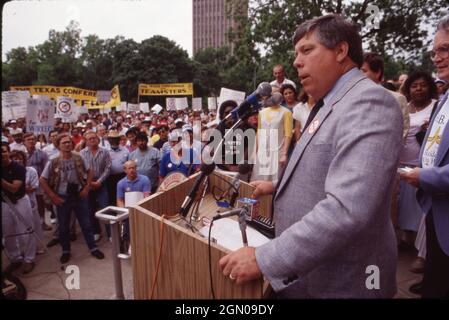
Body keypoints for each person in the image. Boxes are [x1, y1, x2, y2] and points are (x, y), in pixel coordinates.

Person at [219, 14, 403, 298]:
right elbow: (325, 170)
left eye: (307, 50)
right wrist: (278, 186)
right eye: (295, 54)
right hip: (313, 274)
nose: (296, 62)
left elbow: (347, 208)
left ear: (341, 51)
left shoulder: (369, 102)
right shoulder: (329, 103)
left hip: (348, 280)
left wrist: (264, 259)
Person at [400, 14, 449, 298]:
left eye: (444, 49)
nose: (437, 57)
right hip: (435, 211)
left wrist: (426, 175)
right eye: (434, 51)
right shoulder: (444, 100)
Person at [40, 133, 105, 263]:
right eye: (64, 142)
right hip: (62, 198)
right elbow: (42, 179)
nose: (67, 144)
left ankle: (93, 248)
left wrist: (86, 188)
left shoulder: (78, 157)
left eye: (69, 142)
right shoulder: (53, 161)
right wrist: (53, 196)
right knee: (63, 226)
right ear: (58, 145)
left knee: (86, 224)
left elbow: (89, 171)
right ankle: (66, 250)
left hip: (79, 195)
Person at [2, 143, 36, 274]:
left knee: (26, 231)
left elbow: (14, 188)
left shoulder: (18, 168)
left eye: (3, 151)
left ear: (8, 152)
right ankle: (15, 258)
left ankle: (29, 259)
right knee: (8, 232)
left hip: (19, 201)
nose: (1, 155)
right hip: (4, 203)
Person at [361, 52, 410, 141]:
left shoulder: (397, 99)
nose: (358, 76)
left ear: (377, 73)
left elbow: (403, 132)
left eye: (363, 71)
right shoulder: (351, 99)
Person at [250, 92, 293, 184]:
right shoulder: (261, 112)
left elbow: (288, 134)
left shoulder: (286, 112)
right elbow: (259, 132)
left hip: (277, 152)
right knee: (257, 181)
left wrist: (284, 154)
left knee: (274, 183)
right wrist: (255, 152)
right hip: (262, 152)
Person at [80, 130, 112, 241]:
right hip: (88, 184)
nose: (92, 140)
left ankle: (111, 233)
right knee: (90, 208)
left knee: (105, 207)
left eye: (94, 138)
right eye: (90, 138)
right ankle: (96, 231)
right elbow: (81, 170)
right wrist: (89, 182)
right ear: (86, 141)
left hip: (101, 183)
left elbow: (108, 168)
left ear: (98, 139)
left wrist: (99, 181)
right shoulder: (82, 153)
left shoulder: (105, 152)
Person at [116, 160, 150, 254]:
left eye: (133, 167)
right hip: (128, 210)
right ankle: (130, 243)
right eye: (129, 168)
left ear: (136, 168)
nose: (132, 170)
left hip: (142, 207)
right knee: (126, 222)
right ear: (125, 170)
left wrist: (140, 209)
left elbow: (146, 196)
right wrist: (124, 211)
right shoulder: (120, 183)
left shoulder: (145, 179)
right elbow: (120, 200)